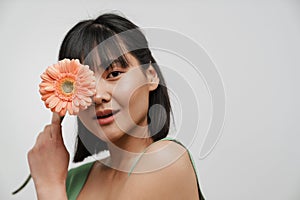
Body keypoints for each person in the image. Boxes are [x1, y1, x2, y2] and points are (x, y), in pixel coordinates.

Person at [27, 13, 205, 200]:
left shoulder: (164, 160)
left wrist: (49, 187)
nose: (97, 96)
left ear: (151, 75)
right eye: (81, 84)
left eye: (114, 74)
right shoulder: (71, 180)